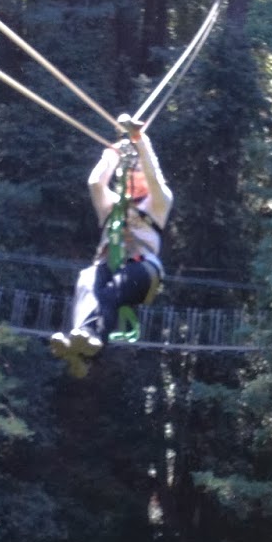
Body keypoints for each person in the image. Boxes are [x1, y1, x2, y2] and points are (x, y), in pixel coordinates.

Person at [49, 114, 173, 378]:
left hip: (143, 269)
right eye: (132, 173)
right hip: (107, 265)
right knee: (87, 279)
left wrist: (140, 141)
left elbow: (154, 176)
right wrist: (113, 153)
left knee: (110, 291)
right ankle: (81, 347)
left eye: (139, 173)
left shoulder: (158, 203)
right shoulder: (111, 205)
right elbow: (95, 182)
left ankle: (89, 339)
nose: (136, 177)